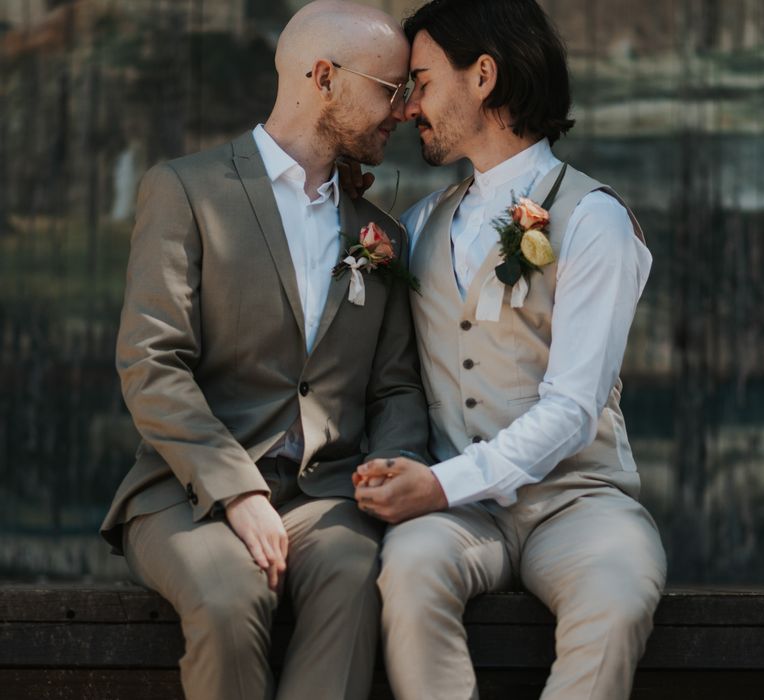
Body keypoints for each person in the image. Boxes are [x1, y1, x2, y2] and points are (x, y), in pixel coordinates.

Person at [99, 2, 428, 699]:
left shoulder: (380, 231)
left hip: (329, 499)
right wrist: (235, 488)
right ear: (323, 76)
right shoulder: (186, 191)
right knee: (227, 599)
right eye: (391, 90)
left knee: (356, 579)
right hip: (188, 493)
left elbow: (394, 386)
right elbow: (152, 363)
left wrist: (391, 472)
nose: (403, 110)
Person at [353, 1, 667, 698]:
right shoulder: (419, 224)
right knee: (406, 572)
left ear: (484, 77)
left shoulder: (593, 220)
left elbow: (574, 409)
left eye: (424, 83)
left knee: (615, 599)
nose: (409, 110)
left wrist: (438, 483)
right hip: (464, 517)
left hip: (578, 504)